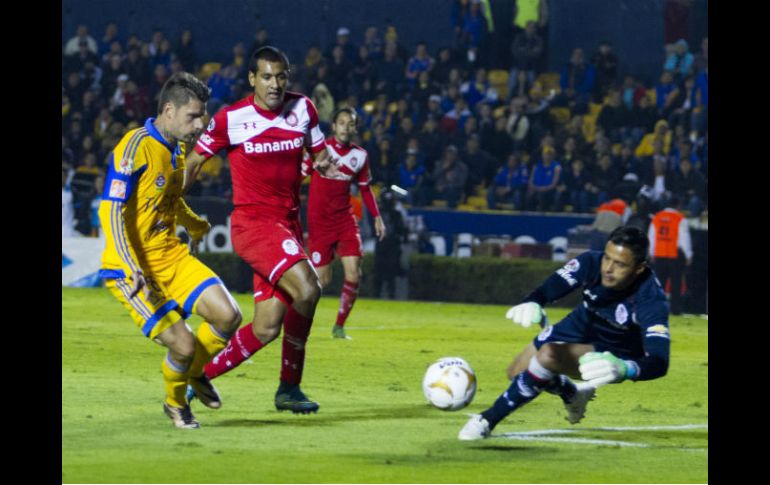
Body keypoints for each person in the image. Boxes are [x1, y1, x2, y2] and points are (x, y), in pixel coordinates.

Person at [186, 46, 338, 414]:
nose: (275, 84)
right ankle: (290, 385)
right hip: (254, 225)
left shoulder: (303, 109)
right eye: (267, 77)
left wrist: (324, 164)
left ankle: (196, 375)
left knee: (267, 327)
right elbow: (193, 161)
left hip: (286, 225)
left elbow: (318, 154)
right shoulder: (230, 119)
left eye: (281, 76)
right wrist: (171, 205)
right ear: (252, 79)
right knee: (308, 288)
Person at [97, 72, 243, 429]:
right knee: (184, 344)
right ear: (168, 110)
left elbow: (171, 198)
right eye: (193, 117)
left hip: (170, 256)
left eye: (203, 117)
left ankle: (193, 374)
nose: (200, 125)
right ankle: (176, 403)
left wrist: (193, 223)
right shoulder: (134, 146)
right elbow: (110, 210)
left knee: (229, 316)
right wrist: (131, 265)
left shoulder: (177, 148)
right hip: (131, 269)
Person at [459, 226, 670, 440]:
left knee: (548, 355)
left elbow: (660, 361)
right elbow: (553, 286)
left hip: (613, 347)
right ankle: (572, 393)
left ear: (639, 268)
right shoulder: (590, 262)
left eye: (620, 264)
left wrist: (627, 369)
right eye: (607, 258)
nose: (608, 268)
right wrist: (533, 301)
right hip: (581, 322)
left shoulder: (651, 300)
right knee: (516, 372)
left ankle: (487, 420)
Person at [305, 108, 386, 340]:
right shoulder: (320, 150)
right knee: (322, 281)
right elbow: (298, 174)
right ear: (333, 125)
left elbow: (365, 190)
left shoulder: (360, 156)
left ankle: (339, 327)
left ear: (355, 128)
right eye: (341, 123)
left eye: (350, 124)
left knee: (354, 273)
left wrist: (377, 217)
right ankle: (296, 319)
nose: (345, 127)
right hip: (320, 222)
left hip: (344, 220)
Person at [648, 197, 692, 315]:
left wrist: (651, 253)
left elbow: (651, 237)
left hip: (659, 254)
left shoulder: (656, 218)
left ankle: (657, 309)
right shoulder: (680, 218)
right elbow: (684, 238)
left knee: (659, 284)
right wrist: (688, 254)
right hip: (675, 255)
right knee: (676, 284)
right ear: (678, 205)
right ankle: (675, 310)